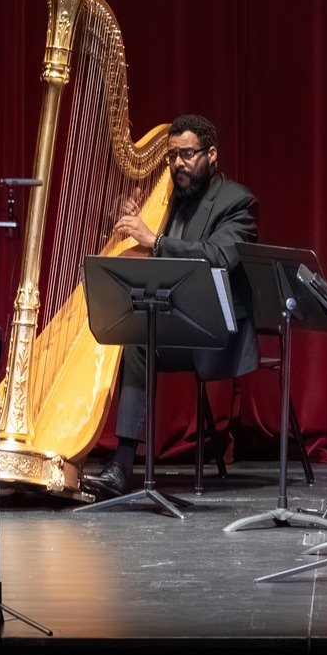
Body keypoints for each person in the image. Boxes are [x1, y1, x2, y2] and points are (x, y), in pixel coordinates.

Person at [84, 114, 258, 499]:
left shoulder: (237, 201)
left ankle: (123, 462)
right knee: (127, 328)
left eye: (188, 154)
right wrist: (130, 219)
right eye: (173, 156)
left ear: (211, 154)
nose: (179, 163)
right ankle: (103, 454)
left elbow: (218, 256)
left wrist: (156, 240)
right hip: (169, 322)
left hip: (213, 330)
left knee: (138, 337)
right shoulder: (166, 199)